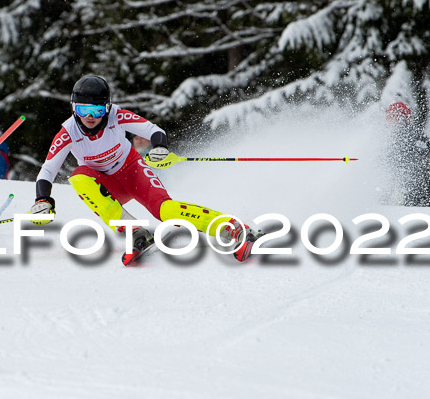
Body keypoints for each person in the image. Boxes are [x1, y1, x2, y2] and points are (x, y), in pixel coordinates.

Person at [29, 74, 261, 261]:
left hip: (133, 171)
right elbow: (48, 170)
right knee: (78, 177)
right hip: (107, 186)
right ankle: (135, 231)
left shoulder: (116, 116)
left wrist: (159, 147)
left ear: (107, 108)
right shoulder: (68, 131)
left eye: (97, 111)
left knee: (166, 211)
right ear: (73, 108)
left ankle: (233, 227)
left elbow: (153, 130)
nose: (90, 118)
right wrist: (43, 201)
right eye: (83, 110)